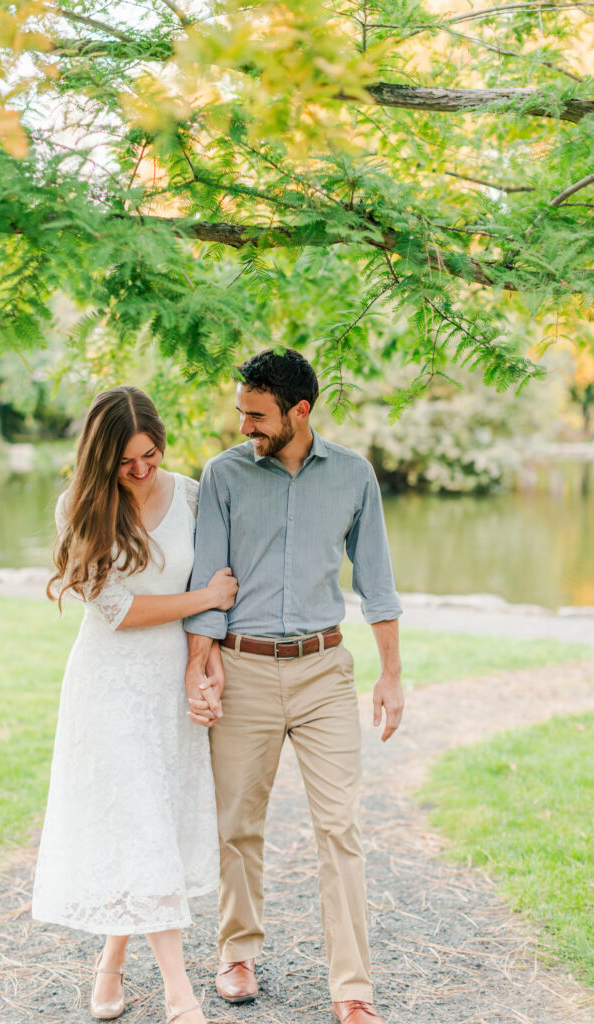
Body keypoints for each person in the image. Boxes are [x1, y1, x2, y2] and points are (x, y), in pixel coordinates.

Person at [183, 349, 403, 1024]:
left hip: (322, 672)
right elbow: (207, 585)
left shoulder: (353, 476)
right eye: (242, 411)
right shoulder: (222, 475)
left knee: (339, 827)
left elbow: (376, 582)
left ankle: (351, 987)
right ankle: (236, 950)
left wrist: (390, 674)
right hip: (242, 667)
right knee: (236, 825)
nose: (243, 424)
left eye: (256, 414)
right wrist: (200, 663)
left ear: (298, 411)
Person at [32, 385, 238, 1023]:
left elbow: (220, 595)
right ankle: (181, 994)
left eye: (150, 455)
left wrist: (208, 663)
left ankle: (110, 965)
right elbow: (117, 610)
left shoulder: (194, 496)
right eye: (127, 462)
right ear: (101, 461)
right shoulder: (80, 507)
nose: (143, 470)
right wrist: (205, 597)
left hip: (168, 685)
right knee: (143, 826)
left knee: (150, 828)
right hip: (109, 687)